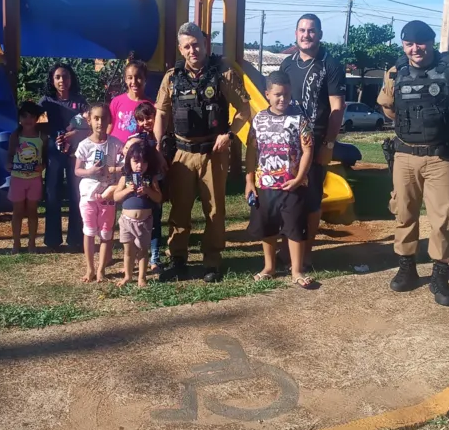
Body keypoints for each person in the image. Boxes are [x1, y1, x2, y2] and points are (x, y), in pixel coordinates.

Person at [377, 20, 449, 306]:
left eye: (421, 42)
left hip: (441, 157)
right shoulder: (394, 71)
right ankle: (407, 269)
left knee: (444, 220)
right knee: (403, 212)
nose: (415, 49)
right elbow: (387, 105)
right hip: (405, 156)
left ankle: (440, 275)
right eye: (409, 43)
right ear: (403, 45)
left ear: (431, 41)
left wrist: (443, 123)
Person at [154, 22, 252, 283]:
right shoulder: (172, 76)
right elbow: (161, 112)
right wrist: (157, 145)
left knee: (215, 210)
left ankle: (212, 262)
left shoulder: (223, 72)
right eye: (186, 46)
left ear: (205, 43)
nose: (192, 50)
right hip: (182, 154)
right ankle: (178, 260)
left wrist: (229, 134)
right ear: (180, 48)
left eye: (196, 44)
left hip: (213, 154)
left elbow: (244, 110)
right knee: (179, 209)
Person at [280, 14, 346, 266]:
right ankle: (288, 250)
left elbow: (337, 108)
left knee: (312, 199)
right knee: (288, 197)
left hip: (316, 143)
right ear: (296, 33)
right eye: (302, 30)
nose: (306, 35)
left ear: (319, 34)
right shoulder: (287, 64)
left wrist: (328, 144)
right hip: (288, 144)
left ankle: (306, 253)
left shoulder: (331, 64)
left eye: (311, 31)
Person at [245, 72, 315, 288]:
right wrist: (249, 181)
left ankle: (296, 270)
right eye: (277, 95)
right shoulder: (258, 119)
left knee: (294, 227)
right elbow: (251, 151)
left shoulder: (300, 119)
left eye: (286, 94)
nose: (282, 99)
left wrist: (300, 177)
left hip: (292, 186)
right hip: (265, 185)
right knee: (268, 227)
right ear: (267, 94)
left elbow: (308, 149)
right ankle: (269, 267)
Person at [38, 63, 89, 252]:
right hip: (53, 152)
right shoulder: (45, 102)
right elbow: (34, 124)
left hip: (77, 153)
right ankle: (52, 239)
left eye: (65, 76)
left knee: (77, 194)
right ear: (52, 80)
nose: (62, 81)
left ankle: (76, 239)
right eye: (58, 77)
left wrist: (74, 134)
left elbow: (89, 125)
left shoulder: (80, 101)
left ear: (71, 79)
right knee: (52, 194)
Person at [74, 103, 123, 283]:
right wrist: (90, 172)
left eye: (103, 118)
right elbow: (77, 170)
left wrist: (113, 169)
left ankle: (101, 269)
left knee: (105, 233)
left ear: (109, 120)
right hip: (88, 195)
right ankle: (90, 268)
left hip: (107, 196)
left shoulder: (116, 143)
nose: (99, 122)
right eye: (96, 118)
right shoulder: (84, 145)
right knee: (89, 231)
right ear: (89, 121)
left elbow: (125, 163)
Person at [123, 102, 168, 272]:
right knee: (137, 222)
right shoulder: (138, 138)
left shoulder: (163, 136)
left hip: (156, 184)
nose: (145, 122)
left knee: (155, 221)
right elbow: (126, 152)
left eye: (148, 118)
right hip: (137, 187)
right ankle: (135, 256)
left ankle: (154, 257)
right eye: (140, 120)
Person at [112, 141, 163, 287]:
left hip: (144, 221)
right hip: (127, 221)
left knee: (142, 251)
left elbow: (159, 198)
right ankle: (128, 276)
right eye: (136, 161)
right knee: (128, 251)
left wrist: (147, 191)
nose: (140, 165)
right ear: (129, 161)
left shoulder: (150, 179)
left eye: (144, 162)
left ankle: (142, 277)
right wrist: (128, 190)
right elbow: (116, 197)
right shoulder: (125, 178)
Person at [6, 101, 47, 254]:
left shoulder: (42, 137)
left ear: (37, 118)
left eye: (32, 116)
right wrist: (8, 164)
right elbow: (9, 155)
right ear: (19, 118)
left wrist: (41, 167)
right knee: (17, 212)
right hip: (17, 178)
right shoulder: (15, 136)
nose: (28, 120)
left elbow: (45, 159)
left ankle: (31, 243)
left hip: (34, 180)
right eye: (24, 116)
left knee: (32, 211)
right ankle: (16, 243)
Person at [109, 54, 154, 143]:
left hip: (136, 154)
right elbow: (110, 126)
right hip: (115, 151)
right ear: (125, 79)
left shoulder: (151, 105)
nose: (134, 82)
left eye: (139, 78)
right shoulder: (116, 101)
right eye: (130, 78)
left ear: (145, 79)